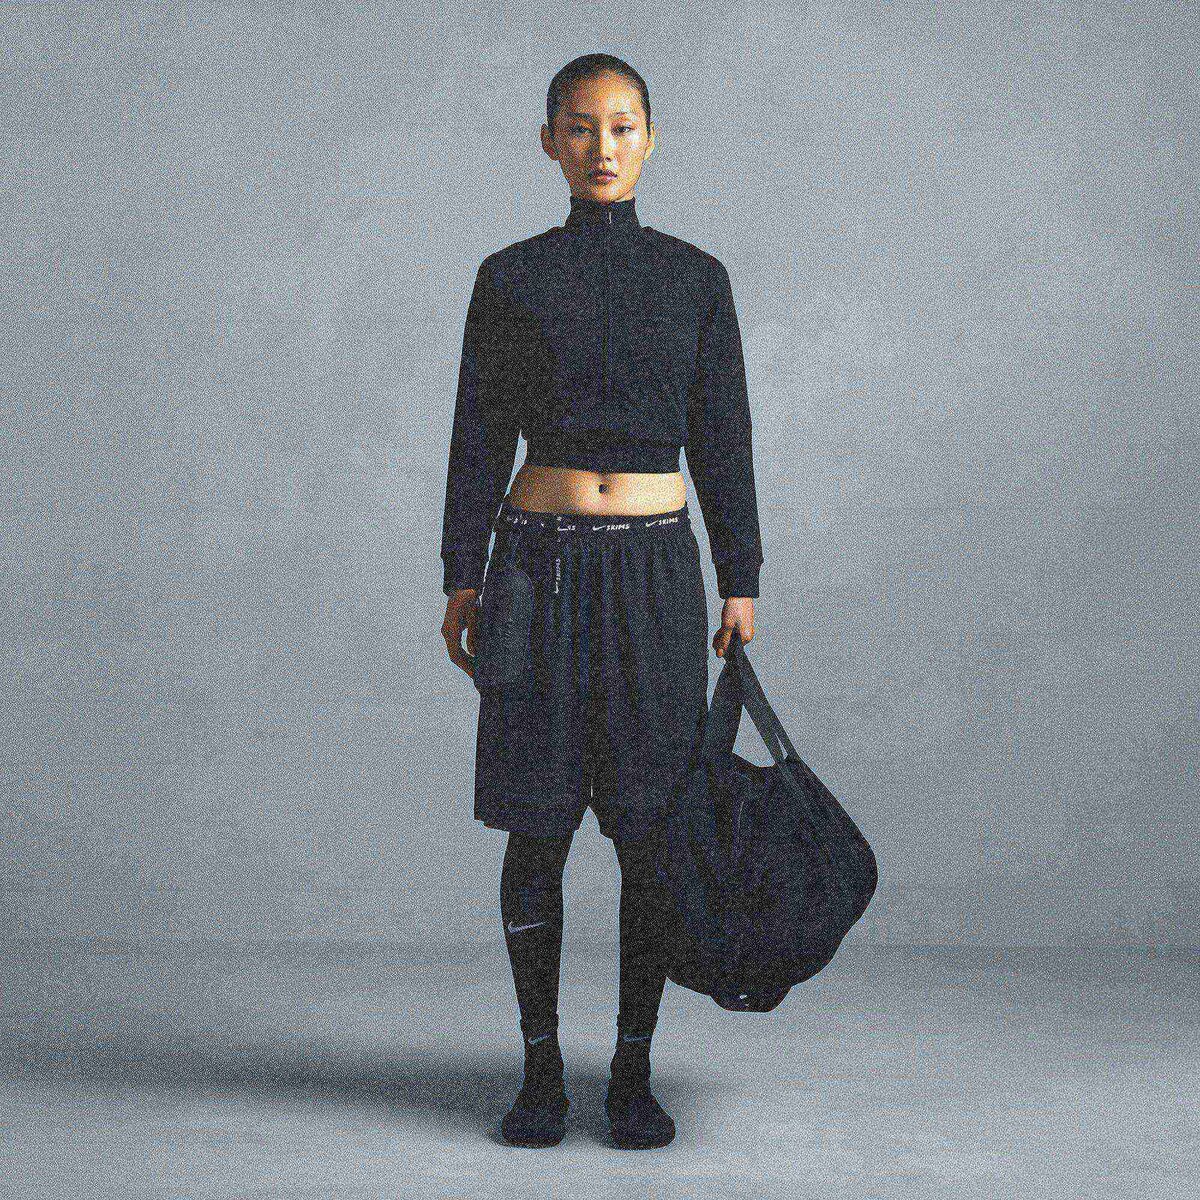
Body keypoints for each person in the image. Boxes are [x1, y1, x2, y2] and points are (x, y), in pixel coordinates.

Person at [439, 53, 764, 1150]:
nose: (602, 146)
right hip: (535, 570)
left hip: (656, 576)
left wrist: (743, 575)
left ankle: (631, 1074)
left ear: (650, 139)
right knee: (536, 827)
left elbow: (724, 435)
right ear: (550, 142)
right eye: (580, 127)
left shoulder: (696, 279)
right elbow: (479, 429)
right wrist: (462, 569)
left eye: (622, 126)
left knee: (649, 830)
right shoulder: (511, 277)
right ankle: (540, 1076)